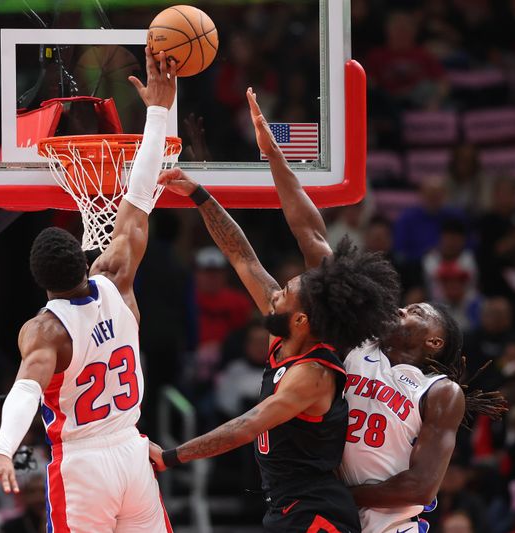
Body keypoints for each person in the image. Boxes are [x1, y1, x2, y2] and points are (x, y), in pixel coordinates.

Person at [244, 87, 506, 533]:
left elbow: (420, 487)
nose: (405, 307)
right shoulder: (357, 342)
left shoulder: (439, 392)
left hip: (389, 525)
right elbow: (313, 237)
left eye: (418, 311)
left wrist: (331, 493)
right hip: (329, 518)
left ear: (434, 341)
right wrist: (274, 157)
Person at [0, 48, 177, 532]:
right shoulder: (117, 279)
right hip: (131, 449)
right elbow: (139, 194)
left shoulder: (45, 331)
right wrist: (159, 110)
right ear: (85, 262)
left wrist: (2, 450)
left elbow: (25, 389)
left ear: (38, 280)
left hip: (83, 465)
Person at [150, 171, 401, 532]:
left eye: (284, 291)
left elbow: (246, 426)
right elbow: (241, 256)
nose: (275, 294)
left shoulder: (312, 375)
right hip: (286, 505)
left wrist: (171, 456)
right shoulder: (283, 335)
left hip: (316, 510)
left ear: (300, 319)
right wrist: (198, 193)